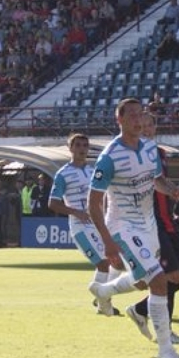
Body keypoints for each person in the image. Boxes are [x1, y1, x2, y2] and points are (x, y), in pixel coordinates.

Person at [87, 98, 179, 358]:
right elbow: (93, 202)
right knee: (159, 280)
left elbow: (157, 180)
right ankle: (166, 350)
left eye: (142, 115)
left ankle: (103, 291)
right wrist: (107, 241)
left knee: (142, 281)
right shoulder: (109, 156)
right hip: (122, 226)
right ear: (120, 120)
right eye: (132, 116)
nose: (138, 121)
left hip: (148, 225)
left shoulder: (150, 149)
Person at [124, 113, 179, 345]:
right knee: (172, 275)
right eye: (141, 125)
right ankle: (163, 330)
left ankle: (141, 310)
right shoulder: (133, 154)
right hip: (152, 225)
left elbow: (162, 185)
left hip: (168, 222)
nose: (145, 129)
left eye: (149, 125)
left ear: (155, 128)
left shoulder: (160, 154)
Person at [49, 133, 136, 316]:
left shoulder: (92, 172)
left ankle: (100, 297)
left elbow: (102, 196)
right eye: (78, 145)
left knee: (117, 263)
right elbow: (53, 203)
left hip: (98, 224)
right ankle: (104, 305)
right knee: (104, 263)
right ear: (71, 148)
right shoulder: (63, 174)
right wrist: (76, 212)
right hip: (80, 228)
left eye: (85, 146)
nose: (82, 149)